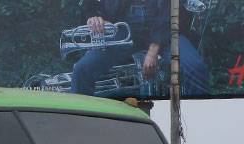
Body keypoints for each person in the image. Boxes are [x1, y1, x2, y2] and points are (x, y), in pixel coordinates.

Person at [70, 0, 210, 98]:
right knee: (82, 69)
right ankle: (80, 122)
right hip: (124, 28)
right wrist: (94, 17)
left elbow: (173, 9)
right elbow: (90, 5)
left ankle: (198, 119)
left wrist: (153, 49)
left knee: (196, 68)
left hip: (164, 29)